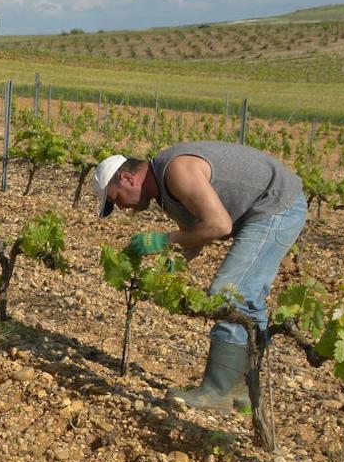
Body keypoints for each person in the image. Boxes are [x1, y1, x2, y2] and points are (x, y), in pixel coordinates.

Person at [91, 141, 306, 411]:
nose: (120, 208)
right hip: (266, 208)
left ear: (126, 178)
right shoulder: (165, 195)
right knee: (248, 299)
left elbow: (218, 225)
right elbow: (196, 235)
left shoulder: (175, 170)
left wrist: (163, 240)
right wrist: (177, 261)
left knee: (230, 292)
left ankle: (216, 392)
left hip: (276, 205)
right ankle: (242, 389)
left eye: (115, 199)